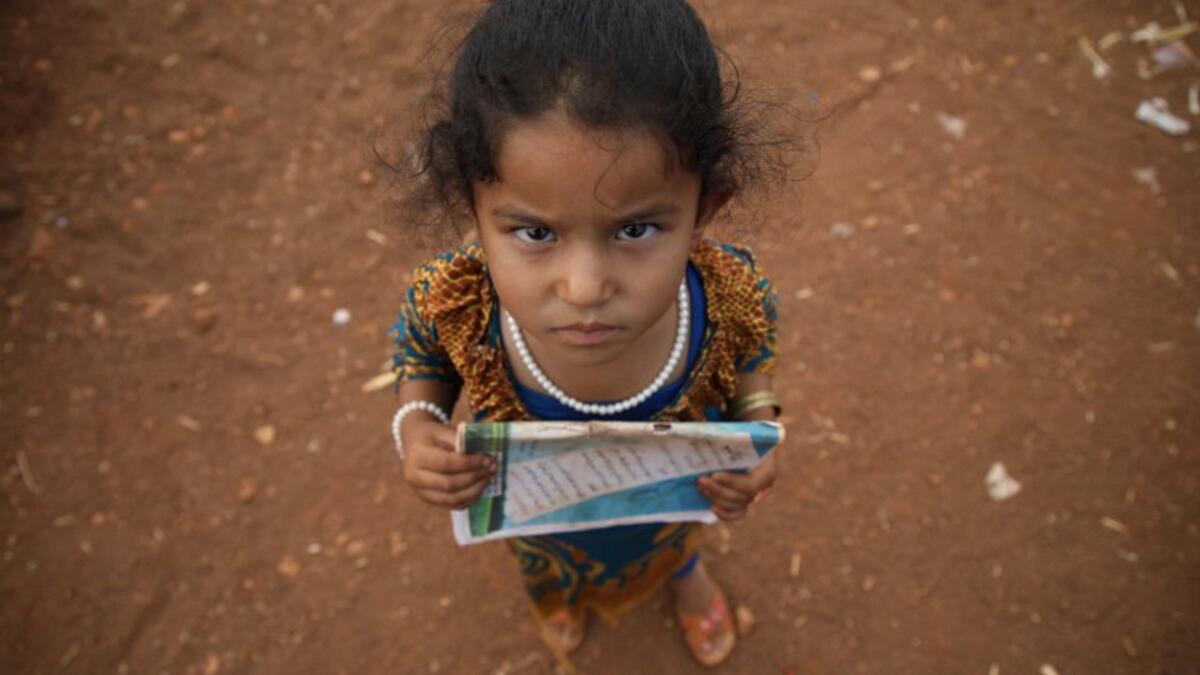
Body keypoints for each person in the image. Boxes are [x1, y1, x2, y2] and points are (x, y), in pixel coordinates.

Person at [387, 0, 784, 667]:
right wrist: (416, 421)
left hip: (673, 500)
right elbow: (419, 345)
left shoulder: (730, 293)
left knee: (675, 541)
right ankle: (557, 598)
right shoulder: (457, 299)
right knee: (546, 565)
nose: (584, 287)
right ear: (473, 209)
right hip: (537, 515)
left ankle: (684, 575)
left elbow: (756, 351)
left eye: (635, 230)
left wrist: (760, 429)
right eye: (535, 233)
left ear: (705, 208)